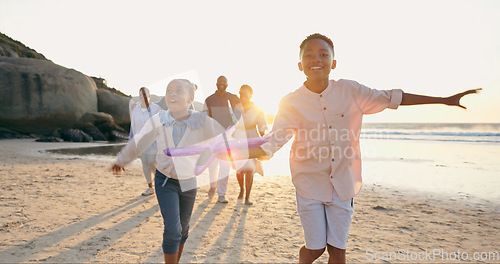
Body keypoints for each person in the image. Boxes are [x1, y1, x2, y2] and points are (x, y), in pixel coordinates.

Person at [219, 33, 481, 264]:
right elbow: (270, 144)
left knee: (338, 251)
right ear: (300, 65)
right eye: (309, 55)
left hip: (344, 184)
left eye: (323, 54)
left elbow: (393, 98)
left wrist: (444, 100)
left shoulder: (352, 91)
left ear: (334, 62)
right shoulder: (290, 102)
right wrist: (226, 151)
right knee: (315, 249)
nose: (316, 59)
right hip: (308, 184)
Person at [112, 79, 223, 264]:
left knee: (184, 230)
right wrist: (122, 158)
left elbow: (225, 140)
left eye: (178, 91)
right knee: (173, 229)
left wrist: (254, 155)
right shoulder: (159, 120)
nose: (172, 94)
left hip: (189, 182)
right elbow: (140, 141)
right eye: (169, 90)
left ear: (191, 98)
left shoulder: (202, 121)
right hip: (165, 180)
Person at [203, 75, 242, 203]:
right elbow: (204, 118)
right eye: (219, 82)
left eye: (224, 82)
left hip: (227, 136)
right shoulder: (209, 100)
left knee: (225, 165)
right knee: (213, 165)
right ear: (216, 83)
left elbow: (241, 110)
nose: (221, 84)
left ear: (227, 84)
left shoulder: (232, 98)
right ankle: (213, 186)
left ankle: (221, 194)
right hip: (213, 137)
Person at [233, 84, 268, 205]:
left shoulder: (258, 109)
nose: (243, 96)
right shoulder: (236, 107)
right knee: (239, 168)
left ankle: (247, 196)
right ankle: (241, 189)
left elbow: (262, 126)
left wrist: (264, 141)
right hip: (239, 138)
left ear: (251, 95)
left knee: (250, 169)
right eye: (241, 93)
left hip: (253, 138)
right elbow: (232, 124)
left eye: (246, 94)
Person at [129, 87, 162, 196]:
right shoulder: (135, 109)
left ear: (149, 96)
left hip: (154, 141)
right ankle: (150, 187)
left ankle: (160, 186)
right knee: (145, 165)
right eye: (140, 95)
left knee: (153, 162)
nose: (142, 97)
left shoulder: (156, 108)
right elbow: (132, 126)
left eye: (145, 95)